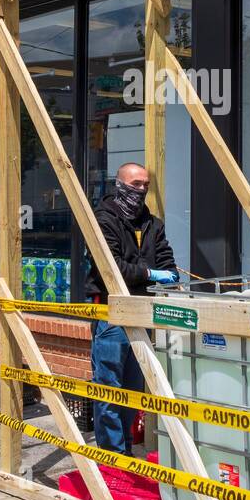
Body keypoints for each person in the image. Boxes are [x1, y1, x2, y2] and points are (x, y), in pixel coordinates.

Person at [84, 162, 178, 454]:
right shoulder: (103, 220)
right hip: (111, 317)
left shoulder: (153, 224)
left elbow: (167, 263)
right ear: (120, 184)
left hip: (143, 312)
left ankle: (125, 450)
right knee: (110, 389)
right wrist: (150, 274)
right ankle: (113, 456)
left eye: (145, 185)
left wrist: (167, 274)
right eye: (135, 184)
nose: (141, 190)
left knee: (134, 388)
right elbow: (110, 270)